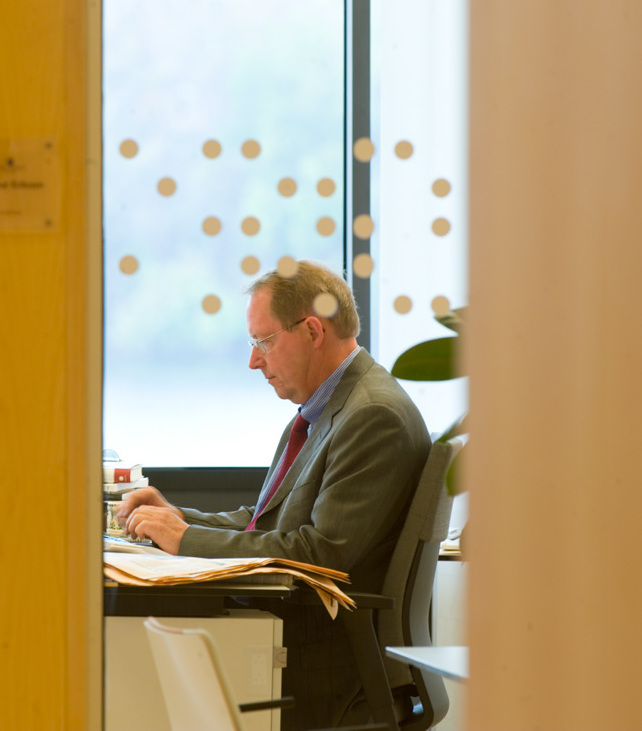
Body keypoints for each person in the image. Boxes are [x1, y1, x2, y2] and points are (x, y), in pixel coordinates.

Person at [116, 261, 431, 729]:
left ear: (312, 331)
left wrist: (185, 540)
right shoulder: (325, 409)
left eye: (263, 342)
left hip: (326, 670)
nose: (253, 361)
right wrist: (180, 520)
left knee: (130, 641)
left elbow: (319, 555)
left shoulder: (372, 415)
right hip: (302, 644)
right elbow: (268, 522)